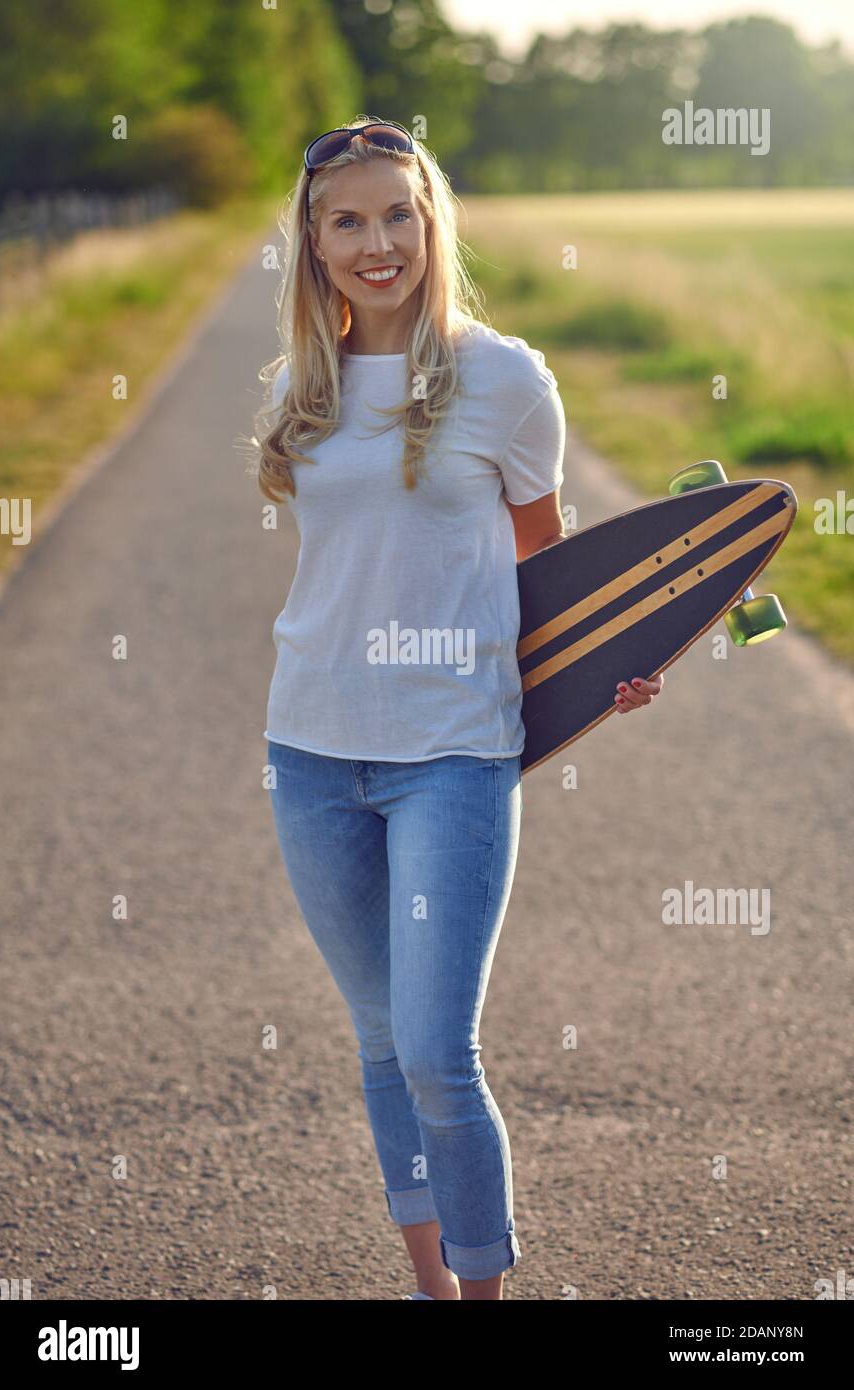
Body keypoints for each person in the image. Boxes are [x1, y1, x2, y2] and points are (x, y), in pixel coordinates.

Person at [252, 117, 664, 1301]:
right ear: (315, 241)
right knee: (380, 1044)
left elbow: (549, 576)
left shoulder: (503, 378)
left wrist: (609, 665)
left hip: (452, 753)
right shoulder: (300, 387)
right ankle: (431, 1291)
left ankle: (483, 1293)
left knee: (436, 1050)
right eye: (348, 220)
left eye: (399, 214)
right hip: (311, 750)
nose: (378, 243)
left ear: (429, 223)